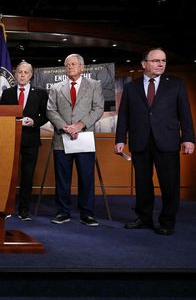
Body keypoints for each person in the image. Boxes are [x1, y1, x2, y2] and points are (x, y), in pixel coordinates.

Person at [115, 48, 194, 236]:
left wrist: (188, 138)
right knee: (143, 183)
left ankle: (167, 222)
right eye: (156, 60)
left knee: (169, 183)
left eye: (163, 61)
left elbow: (185, 113)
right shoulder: (131, 87)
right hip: (140, 141)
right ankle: (144, 218)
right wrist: (120, 139)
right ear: (144, 64)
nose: (161, 64)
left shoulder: (176, 84)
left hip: (167, 141)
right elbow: (124, 115)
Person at [47, 53, 104, 227]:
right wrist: (65, 127)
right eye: (67, 65)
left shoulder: (94, 85)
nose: (70, 67)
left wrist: (79, 125)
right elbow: (51, 110)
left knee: (86, 177)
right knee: (62, 178)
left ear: (82, 67)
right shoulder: (56, 87)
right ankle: (63, 212)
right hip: (62, 137)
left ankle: (87, 214)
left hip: (84, 137)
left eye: (73, 64)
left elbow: (98, 108)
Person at [0, 61, 48, 221]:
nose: (22, 75)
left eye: (26, 72)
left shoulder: (40, 93)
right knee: (8, 175)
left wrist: (34, 121)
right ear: (15, 74)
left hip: (31, 140)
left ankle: (24, 210)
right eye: (19, 72)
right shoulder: (7, 94)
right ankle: (7, 208)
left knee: (27, 176)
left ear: (31, 75)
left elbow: (45, 115)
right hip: (10, 140)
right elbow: (2, 116)